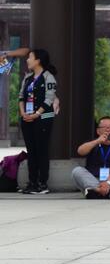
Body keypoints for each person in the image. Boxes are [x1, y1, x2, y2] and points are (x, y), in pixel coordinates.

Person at [19, 49, 58, 195]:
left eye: (30, 57)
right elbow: (21, 97)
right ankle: (32, 183)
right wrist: (23, 113)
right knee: (31, 151)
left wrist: (36, 114)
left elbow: (49, 99)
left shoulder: (49, 77)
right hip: (27, 118)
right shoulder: (28, 78)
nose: (27, 60)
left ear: (38, 60)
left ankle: (42, 183)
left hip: (43, 118)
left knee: (41, 150)